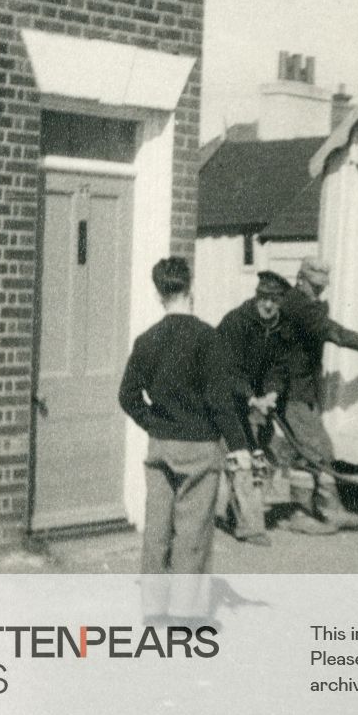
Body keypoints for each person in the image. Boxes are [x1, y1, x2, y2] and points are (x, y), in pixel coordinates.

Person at [118, 257, 250, 622]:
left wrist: (156, 424)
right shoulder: (208, 338)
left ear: (159, 293)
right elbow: (220, 401)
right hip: (200, 449)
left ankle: (153, 612)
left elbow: (127, 396)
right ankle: (184, 616)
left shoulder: (146, 341)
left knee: (157, 530)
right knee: (192, 533)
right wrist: (240, 446)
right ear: (190, 288)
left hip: (161, 448)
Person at [273, 256, 358, 534]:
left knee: (318, 450)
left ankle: (330, 511)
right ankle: (300, 514)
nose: (319, 290)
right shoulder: (298, 304)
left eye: (322, 286)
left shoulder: (308, 303)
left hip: (304, 390)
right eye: (314, 285)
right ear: (301, 279)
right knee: (311, 451)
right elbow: (333, 332)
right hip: (293, 391)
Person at [215, 270, 294, 547]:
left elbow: (279, 367)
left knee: (261, 458)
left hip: (253, 401)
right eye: (264, 297)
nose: (269, 305)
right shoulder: (236, 322)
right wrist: (251, 398)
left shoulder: (281, 326)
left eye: (274, 299)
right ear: (256, 295)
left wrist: (272, 392)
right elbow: (226, 369)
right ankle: (249, 527)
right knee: (240, 460)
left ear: (282, 301)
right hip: (223, 395)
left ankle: (237, 514)